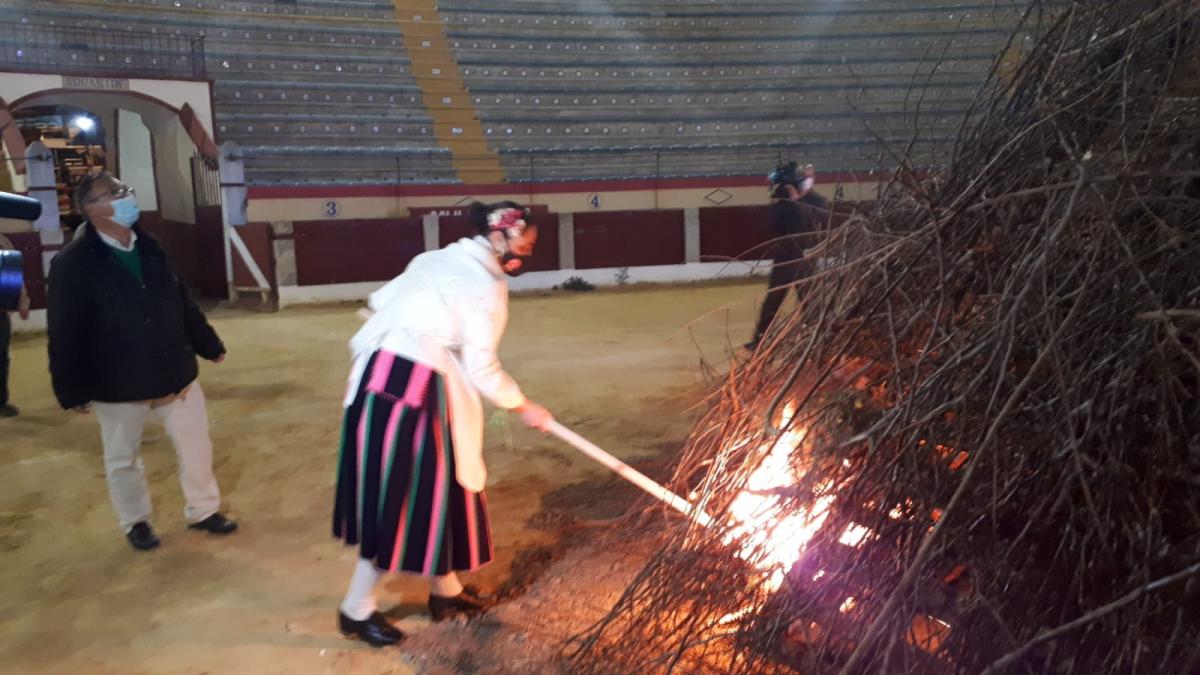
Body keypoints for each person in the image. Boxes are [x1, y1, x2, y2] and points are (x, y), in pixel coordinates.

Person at [334, 200, 553, 647]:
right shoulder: (482, 285)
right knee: (403, 497)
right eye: (524, 245)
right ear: (499, 235)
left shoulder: (436, 257)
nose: (525, 255)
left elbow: (381, 301)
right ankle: (355, 611)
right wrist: (523, 405)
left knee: (436, 489)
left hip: (378, 377)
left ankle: (445, 592)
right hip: (413, 388)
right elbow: (482, 366)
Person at [46, 172, 238, 551]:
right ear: (90, 209)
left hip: (174, 369)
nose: (125, 197)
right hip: (116, 380)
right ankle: (136, 521)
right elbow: (65, 331)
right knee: (122, 456)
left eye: (124, 190)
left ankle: (203, 509)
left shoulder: (152, 247)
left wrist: (207, 343)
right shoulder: (73, 264)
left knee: (196, 444)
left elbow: (182, 302)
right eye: (113, 193)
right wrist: (71, 388)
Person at [746, 168, 821, 350]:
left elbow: (812, 227)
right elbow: (774, 228)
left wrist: (797, 201)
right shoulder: (781, 203)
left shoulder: (817, 201)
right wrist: (784, 201)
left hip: (805, 256)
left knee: (810, 301)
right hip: (784, 257)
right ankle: (759, 339)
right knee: (773, 300)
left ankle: (816, 339)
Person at [0, 234, 31, 417]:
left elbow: (13, 274)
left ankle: (1, 402)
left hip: (1, 315)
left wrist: (23, 301)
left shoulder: (3, 242)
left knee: (1, 359)